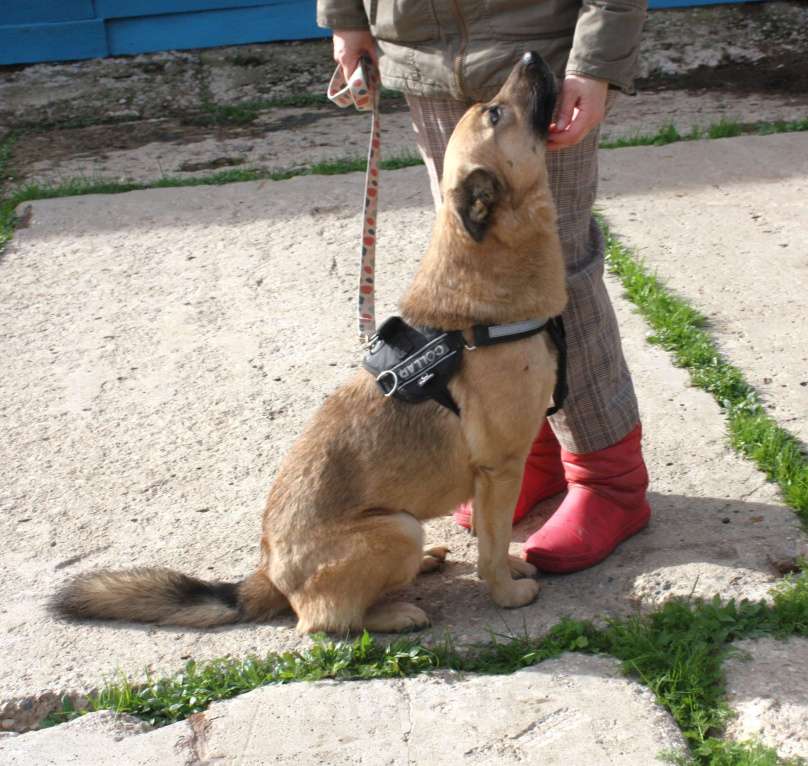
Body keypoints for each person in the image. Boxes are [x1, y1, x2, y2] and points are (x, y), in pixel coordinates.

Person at [316, 0, 651, 573]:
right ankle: (528, 456)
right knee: (475, 272)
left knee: (555, 268)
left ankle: (608, 479)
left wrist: (595, 61)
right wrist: (347, 17)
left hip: (540, 35)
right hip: (422, 48)